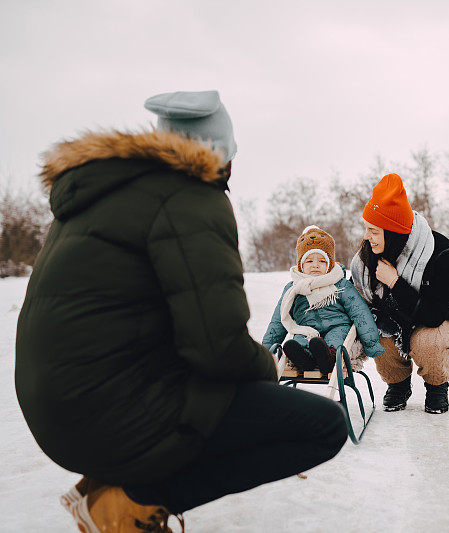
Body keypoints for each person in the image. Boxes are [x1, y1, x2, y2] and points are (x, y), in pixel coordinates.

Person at [15, 90, 348, 532]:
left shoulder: (102, 194)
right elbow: (216, 346)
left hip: (54, 411)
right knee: (322, 426)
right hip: (108, 414)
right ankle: (130, 503)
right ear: (221, 154)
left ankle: (113, 486)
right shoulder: (191, 198)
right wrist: (266, 369)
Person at [350, 173, 449, 414]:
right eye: (366, 229)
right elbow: (356, 300)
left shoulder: (440, 251)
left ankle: (436, 386)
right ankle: (398, 384)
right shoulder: (369, 255)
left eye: (373, 231)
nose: (366, 237)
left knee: (428, 341)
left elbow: (433, 314)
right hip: (396, 319)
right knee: (378, 334)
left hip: (438, 318)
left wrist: (395, 283)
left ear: (391, 232)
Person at [261, 225, 384, 372]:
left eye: (322, 261)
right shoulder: (293, 289)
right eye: (309, 261)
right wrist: (266, 351)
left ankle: (329, 358)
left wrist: (372, 344)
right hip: (305, 329)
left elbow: (360, 312)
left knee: (335, 340)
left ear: (330, 264)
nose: (316, 266)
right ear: (300, 265)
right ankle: (304, 359)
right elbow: (278, 320)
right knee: (300, 340)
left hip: (337, 326)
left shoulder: (340, 285)